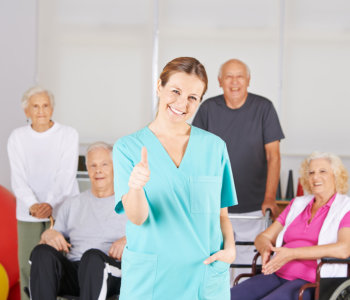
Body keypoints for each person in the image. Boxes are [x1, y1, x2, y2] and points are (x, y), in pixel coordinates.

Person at [113, 57, 237, 300]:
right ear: (159, 86)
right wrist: (136, 187)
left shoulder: (215, 148)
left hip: (204, 274)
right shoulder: (128, 148)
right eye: (175, 91)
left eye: (192, 97)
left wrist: (230, 251)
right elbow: (137, 218)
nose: (182, 103)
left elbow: (221, 215)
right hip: (151, 279)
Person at [192, 59, 285, 275]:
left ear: (248, 80)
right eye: (228, 77)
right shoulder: (207, 109)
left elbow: (274, 157)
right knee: (216, 265)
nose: (234, 82)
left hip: (254, 207)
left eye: (240, 76)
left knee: (247, 267)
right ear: (219, 81)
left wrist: (270, 197)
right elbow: (195, 156)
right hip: (216, 205)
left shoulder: (264, 108)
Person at [231, 151, 350, 300]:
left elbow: (344, 249)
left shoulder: (345, 207)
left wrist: (292, 254)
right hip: (277, 273)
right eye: (311, 172)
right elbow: (264, 236)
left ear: (336, 175)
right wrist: (265, 248)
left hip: (311, 281)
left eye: (322, 171)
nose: (315, 177)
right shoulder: (298, 204)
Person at [29, 142, 127, 300]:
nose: (98, 170)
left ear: (116, 167)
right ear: (87, 169)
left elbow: (151, 238)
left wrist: (129, 240)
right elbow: (54, 235)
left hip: (109, 269)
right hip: (75, 270)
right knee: (41, 253)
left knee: (92, 258)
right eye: (93, 165)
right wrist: (48, 234)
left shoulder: (130, 203)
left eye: (104, 164)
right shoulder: (72, 203)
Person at [7, 86, 79, 299]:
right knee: (28, 267)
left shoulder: (68, 134)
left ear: (52, 108)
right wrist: (33, 204)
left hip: (61, 209)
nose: (40, 111)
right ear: (26, 111)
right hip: (28, 212)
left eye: (45, 105)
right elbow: (18, 177)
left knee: (61, 264)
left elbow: (66, 174)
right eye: (35, 106)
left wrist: (49, 203)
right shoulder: (18, 137)